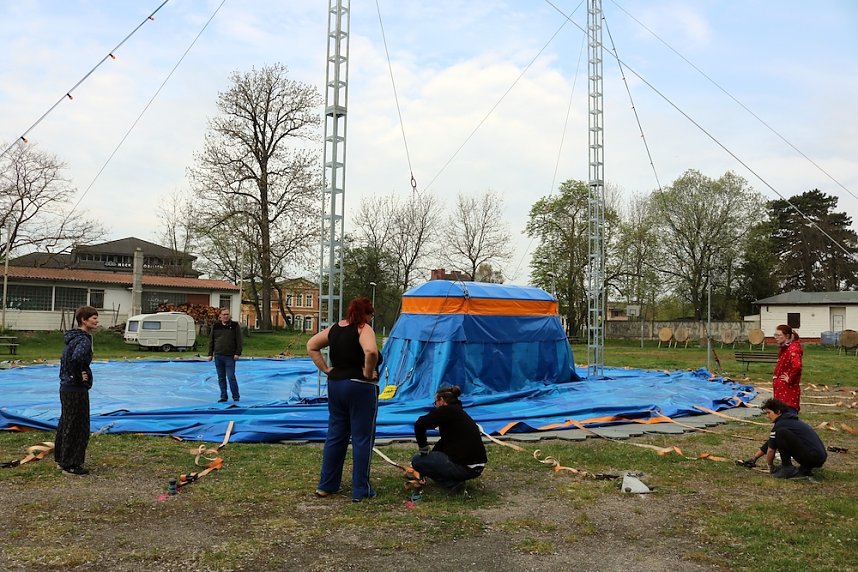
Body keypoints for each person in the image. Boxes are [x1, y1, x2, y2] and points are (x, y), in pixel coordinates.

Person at [307, 296, 380, 502]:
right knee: (362, 438)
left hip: (336, 386)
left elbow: (311, 345)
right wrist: (368, 371)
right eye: (370, 314)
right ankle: (361, 489)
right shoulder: (363, 328)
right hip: (360, 388)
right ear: (365, 314)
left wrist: (326, 369)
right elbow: (371, 351)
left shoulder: (335, 328)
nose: (371, 318)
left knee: (336, 435)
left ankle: (326, 485)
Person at [411, 385, 487, 494]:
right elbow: (445, 441)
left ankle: (453, 484)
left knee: (417, 460)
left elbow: (420, 424)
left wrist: (423, 448)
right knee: (428, 460)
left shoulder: (446, 411)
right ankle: (454, 480)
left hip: (465, 467)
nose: (435, 406)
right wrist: (430, 456)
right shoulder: (459, 413)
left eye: (435, 403)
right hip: (477, 466)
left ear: (441, 400)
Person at [54, 305, 99, 475]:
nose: (96, 320)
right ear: (83, 320)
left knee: (66, 422)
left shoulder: (73, 338)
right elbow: (77, 358)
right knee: (78, 425)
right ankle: (71, 464)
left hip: (65, 387)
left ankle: (62, 458)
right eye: (93, 317)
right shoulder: (83, 340)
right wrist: (80, 376)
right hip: (75, 389)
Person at [747, 398, 826, 479]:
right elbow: (771, 442)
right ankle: (805, 469)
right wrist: (754, 458)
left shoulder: (780, 425)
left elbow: (771, 450)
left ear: (778, 412)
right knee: (779, 434)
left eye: (769, 413)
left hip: (812, 457)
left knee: (780, 433)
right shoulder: (789, 421)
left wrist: (770, 466)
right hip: (818, 457)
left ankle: (787, 468)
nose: (767, 416)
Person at [208, 307, 243, 402]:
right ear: (220, 316)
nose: (226, 316)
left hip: (230, 356)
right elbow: (211, 340)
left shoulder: (235, 326)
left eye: (227, 314)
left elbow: (239, 341)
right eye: (224, 314)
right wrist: (210, 354)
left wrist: (237, 353)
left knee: (231, 376)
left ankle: (236, 396)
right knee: (221, 377)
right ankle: (223, 396)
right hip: (218, 356)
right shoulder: (215, 326)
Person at [772, 324, 802, 413]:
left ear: (787, 336)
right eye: (775, 335)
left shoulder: (792, 349)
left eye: (778, 335)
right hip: (781, 390)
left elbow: (797, 366)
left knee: (788, 416)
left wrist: (790, 379)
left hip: (788, 391)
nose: (776, 337)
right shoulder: (785, 348)